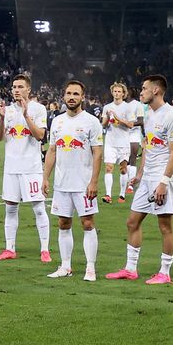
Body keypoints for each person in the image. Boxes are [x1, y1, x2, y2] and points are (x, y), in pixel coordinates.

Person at [107, 75, 173, 285]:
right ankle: (130, 269)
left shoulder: (171, 116)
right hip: (148, 176)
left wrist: (164, 183)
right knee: (132, 221)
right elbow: (148, 147)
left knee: (165, 225)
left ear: (156, 90)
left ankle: (164, 272)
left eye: (144, 88)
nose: (140, 92)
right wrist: (139, 174)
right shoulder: (148, 114)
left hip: (164, 177)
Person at [42, 81, 104, 280]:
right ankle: (65, 266)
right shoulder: (57, 121)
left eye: (76, 94)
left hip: (83, 184)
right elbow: (52, 150)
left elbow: (97, 153)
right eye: (68, 93)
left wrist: (94, 182)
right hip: (61, 183)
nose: (72, 97)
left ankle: (91, 268)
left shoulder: (91, 122)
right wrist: (45, 178)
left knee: (87, 223)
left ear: (82, 97)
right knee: (63, 223)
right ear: (63, 96)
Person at [0, 74, 51, 262]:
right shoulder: (7, 111)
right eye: (14, 87)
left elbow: (40, 135)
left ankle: (45, 249)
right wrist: (1, 119)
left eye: (20, 87)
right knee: (10, 209)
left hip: (31, 168)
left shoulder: (39, 109)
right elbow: (0, 137)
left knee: (39, 209)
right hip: (11, 167)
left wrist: (26, 115)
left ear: (28, 90)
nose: (16, 90)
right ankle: (10, 248)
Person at [101, 83, 134, 204]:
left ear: (123, 94)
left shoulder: (128, 107)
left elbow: (131, 125)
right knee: (109, 168)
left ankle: (122, 194)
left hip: (123, 142)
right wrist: (105, 119)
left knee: (123, 169)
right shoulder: (107, 107)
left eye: (119, 92)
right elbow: (104, 124)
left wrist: (117, 117)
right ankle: (108, 194)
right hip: (110, 142)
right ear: (112, 92)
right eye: (115, 91)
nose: (117, 93)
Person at [125, 89, 145, 193]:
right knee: (125, 160)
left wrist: (129, 123)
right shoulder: (122, 105)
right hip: (123, 134)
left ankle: (131, 185)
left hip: (134, 133)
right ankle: (128, 181)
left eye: (126, 91)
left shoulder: (138, 105)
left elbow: (141, 121)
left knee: (133, 157)